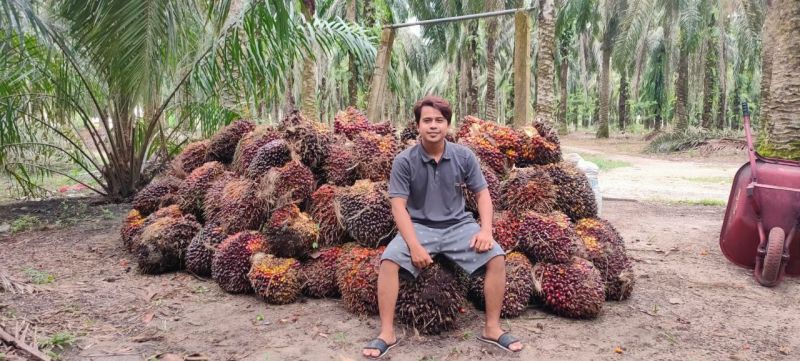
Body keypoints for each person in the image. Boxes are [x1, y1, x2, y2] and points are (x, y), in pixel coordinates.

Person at [362, 96, 524, 358]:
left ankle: (492, 328)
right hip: (419, 227)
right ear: (418, 126)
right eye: (427, 120)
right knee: (389, 261)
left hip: (459, 226)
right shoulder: (404, 160)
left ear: (448, 124)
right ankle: (386, 333)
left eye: (439, 120)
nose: (433, 125)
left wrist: (485, 231)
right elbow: (398, 207)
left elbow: (483, 195)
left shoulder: (463, 156)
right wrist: (413, 245)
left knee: (496, 257)